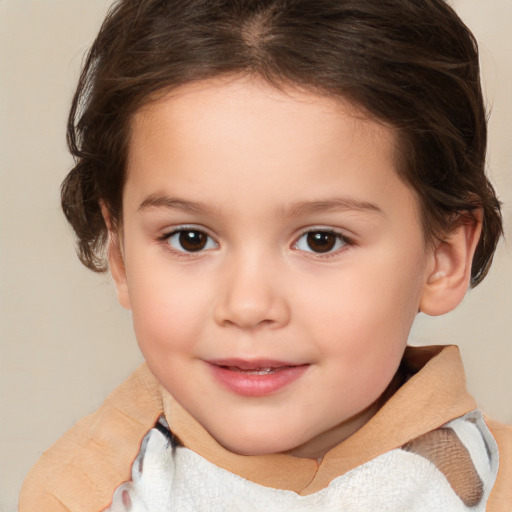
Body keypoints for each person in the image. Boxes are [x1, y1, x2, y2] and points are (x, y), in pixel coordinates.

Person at [19, 0, 512, 510]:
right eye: (190, 238)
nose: (249, 305)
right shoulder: (79, 495)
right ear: (119, 254)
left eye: (322, 240)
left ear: (444, 257)